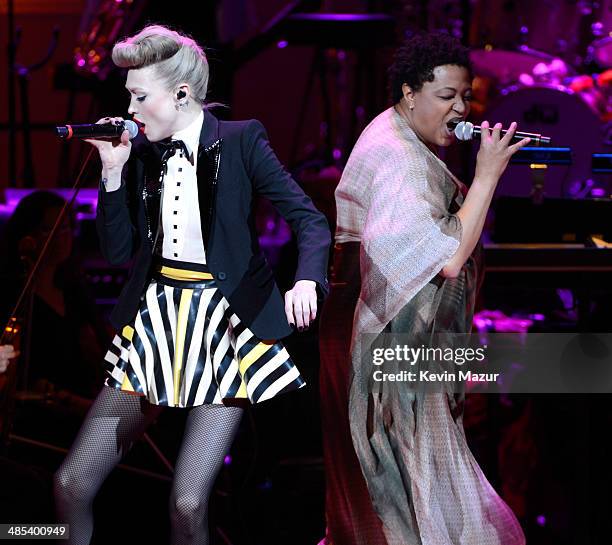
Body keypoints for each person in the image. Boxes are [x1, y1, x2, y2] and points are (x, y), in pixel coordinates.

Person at [53, 24, 330, 545]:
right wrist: (112, 171)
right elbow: (116, 252)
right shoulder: (142, 153)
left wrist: (307, 281)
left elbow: (309, 219)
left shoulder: (242, 139)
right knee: (70, 482)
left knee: (186, 502)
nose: (130, 110)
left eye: (139, 96)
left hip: (223, 327)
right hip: (156, 322)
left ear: (180, 94)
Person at [319, 33, 529, 545]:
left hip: (383, 341)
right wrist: (487, 175)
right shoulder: (401, 158)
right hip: (378, 347)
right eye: (446, 96)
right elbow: (448, 259)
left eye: (465, 95)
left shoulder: (398, 135)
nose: (460, 108)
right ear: (410, 93)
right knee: (397, 506)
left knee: (396, 503)